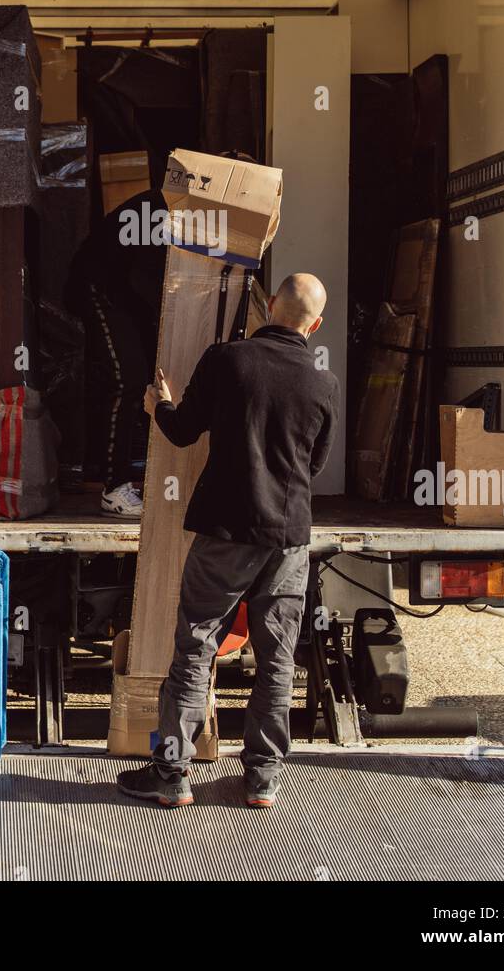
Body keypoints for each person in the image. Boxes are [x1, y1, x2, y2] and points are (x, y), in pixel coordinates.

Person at [116, 272, 339, 808]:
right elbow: (316, 464)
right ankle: (262, 778)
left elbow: (183, 430)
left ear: (266, 310)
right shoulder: (323, 384)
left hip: (226, 533)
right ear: (316, 324)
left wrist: (157, 406)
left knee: (196, 646)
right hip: (287, 540)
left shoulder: (226, 359)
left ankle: (171, 774)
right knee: (278, 659)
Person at [65, 187, 168, 517]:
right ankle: (114, 489)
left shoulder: (184, 211)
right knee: (128, 381)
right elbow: (144, 279)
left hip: (128, 297)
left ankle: (143, 479)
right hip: (103, 290)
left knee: (150, 379)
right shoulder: (163, 209)